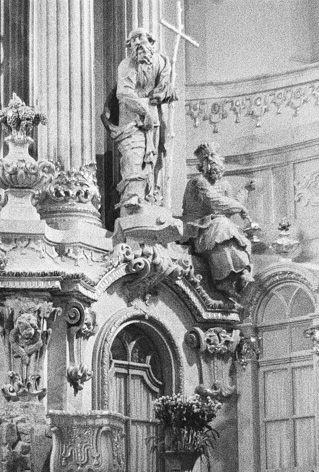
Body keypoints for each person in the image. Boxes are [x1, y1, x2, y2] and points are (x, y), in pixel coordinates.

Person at [102, 28, 175, 213]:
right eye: (133, 41)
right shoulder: (127, 65)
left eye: (140, 38)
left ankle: (149, 197)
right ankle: (132, 199)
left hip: (153, 119)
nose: (137, 43)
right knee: (133, 155)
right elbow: (124, 92)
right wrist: (144, 111)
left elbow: (165, 88)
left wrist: (164, 93)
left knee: (152, 160)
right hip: (131, 118)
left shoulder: (162, 62)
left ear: (150, 42)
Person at [182, 143, 254, 301]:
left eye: (217, 165)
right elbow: (216, 202)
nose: (214, 168)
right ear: (204, 166)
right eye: (210, 164)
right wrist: (242, 209)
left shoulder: (224, 185)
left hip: (217, 227)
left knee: (230, 230)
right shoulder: (197, 182)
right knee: (222, 225)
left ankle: (242, 273)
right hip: (198, 229)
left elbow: (230, 205)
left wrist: (245, 190)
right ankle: (223, 281)